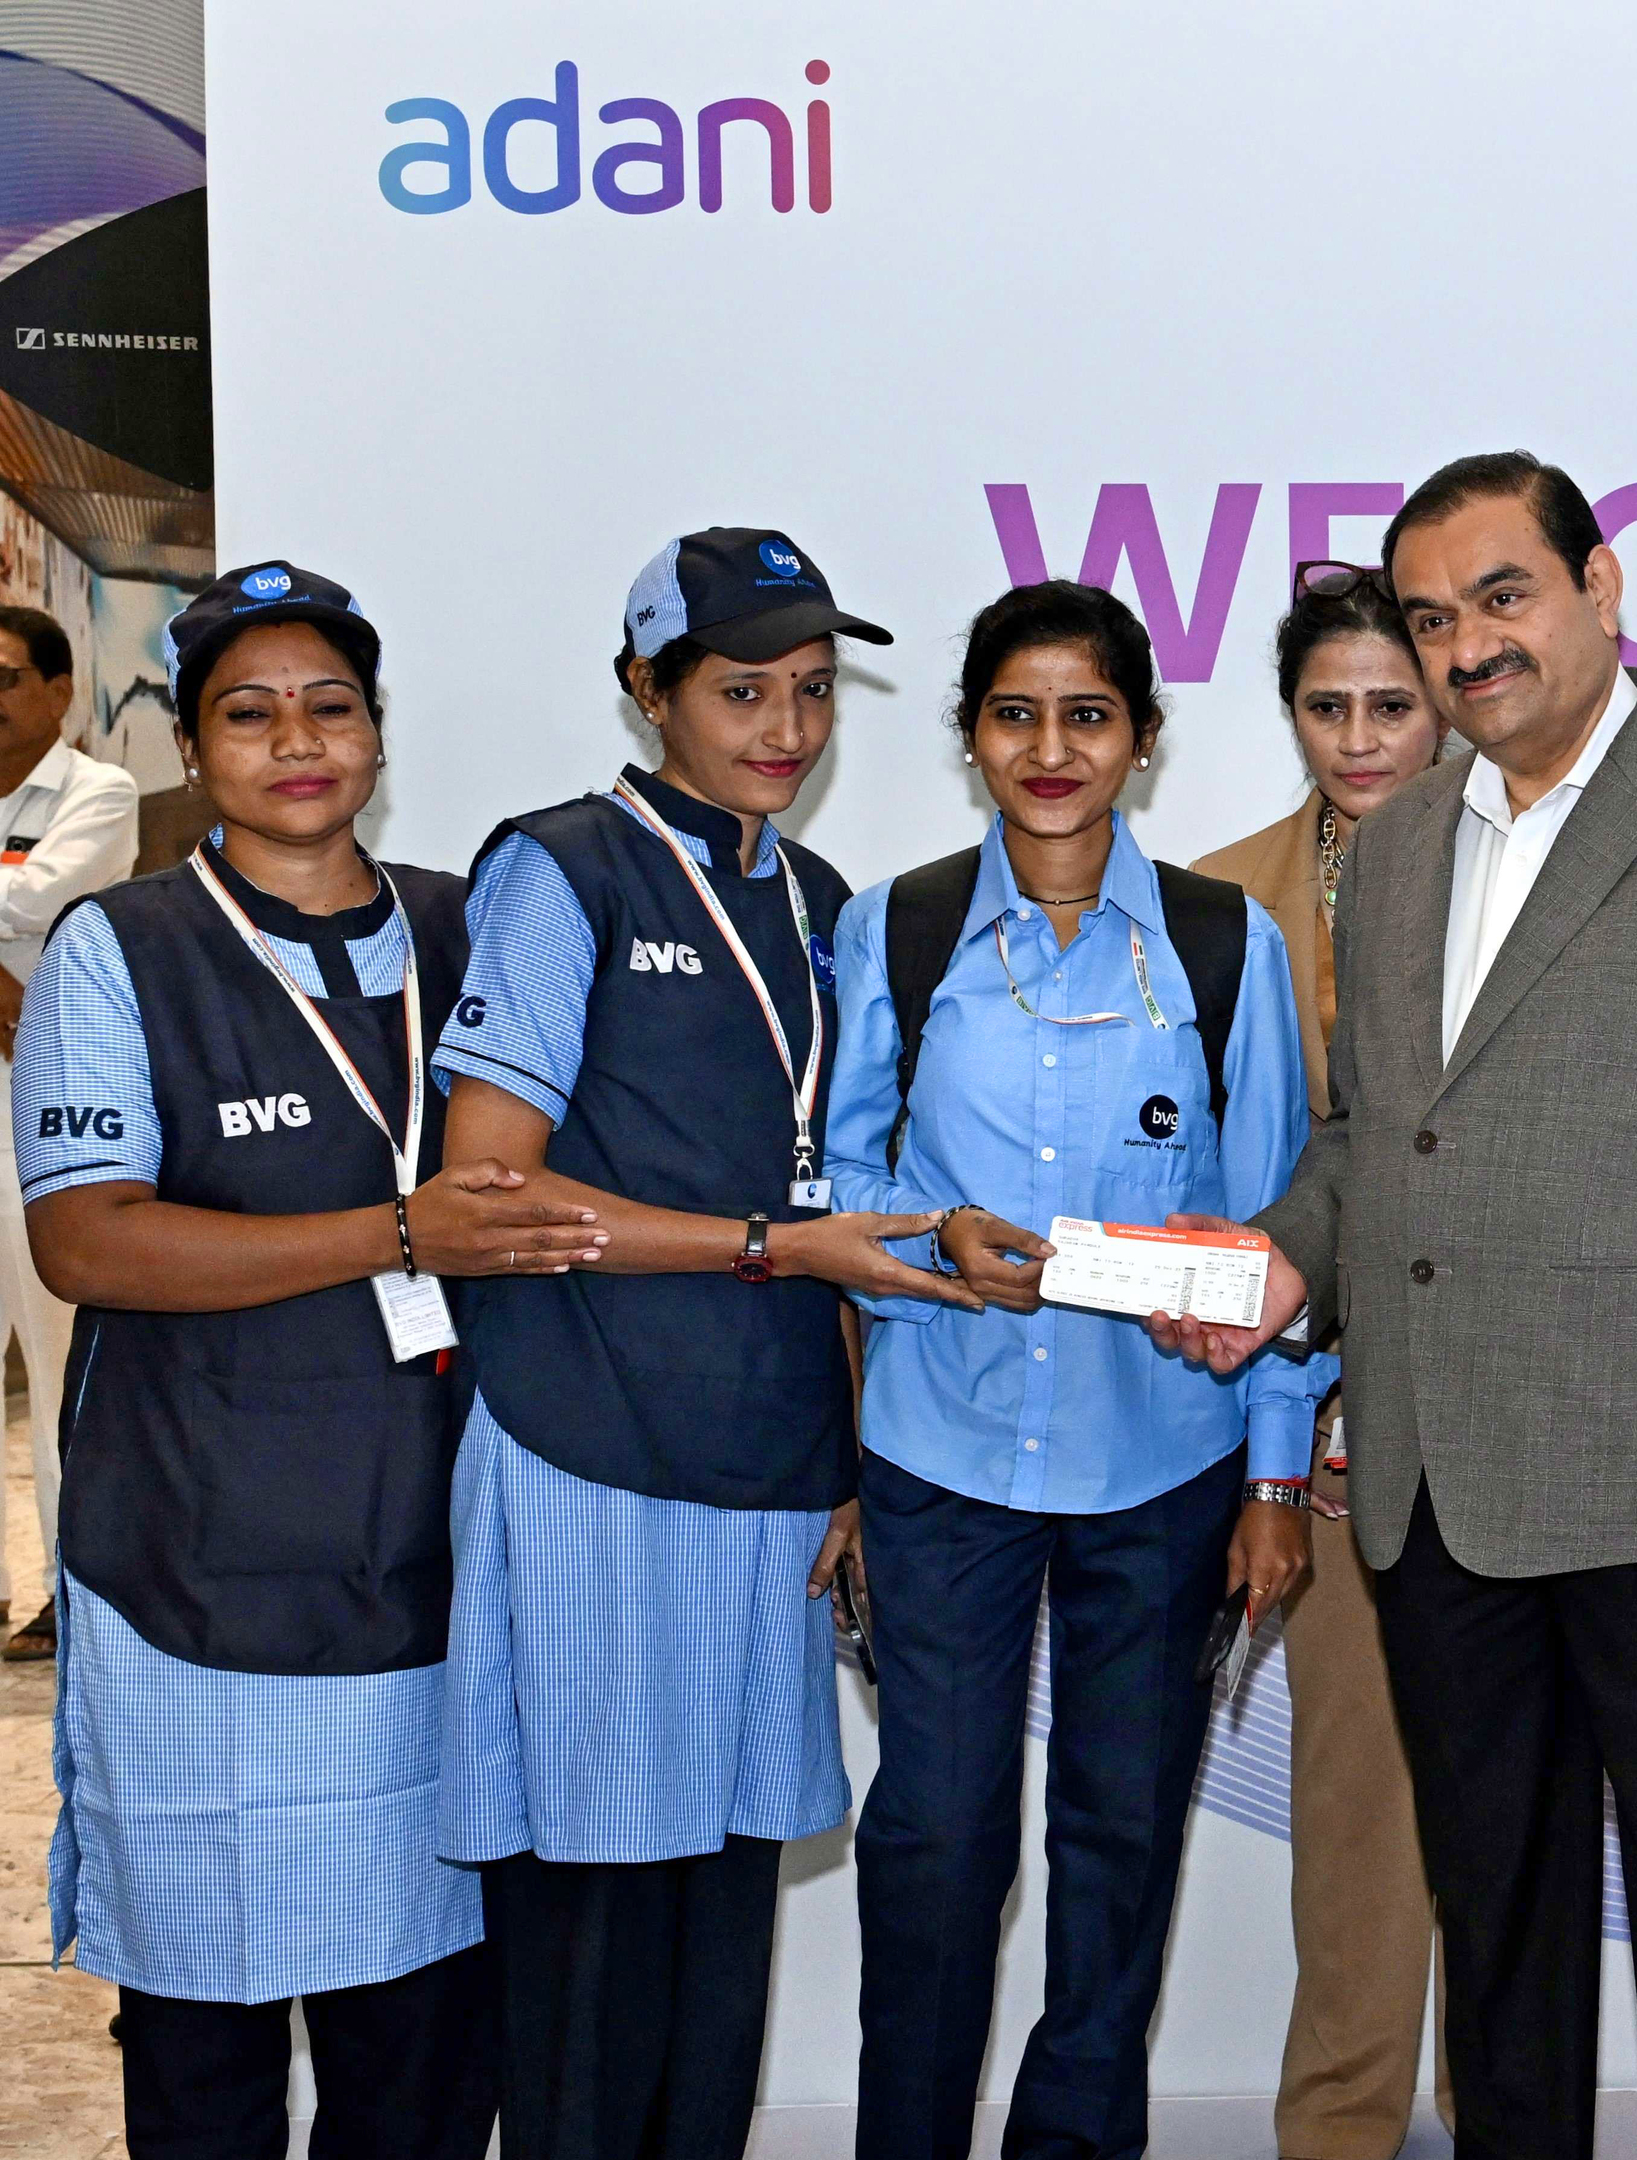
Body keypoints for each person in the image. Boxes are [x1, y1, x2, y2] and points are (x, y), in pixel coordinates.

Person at [1159, 450, 1637, 2159]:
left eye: (1500, 597)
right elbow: (1370, 1137)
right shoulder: (1402, 842)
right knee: (1498, 1941)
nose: (1466, 647)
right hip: (1433, 1495)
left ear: (1601, 584)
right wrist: (1279, 1262)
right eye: (1430, 619)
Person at [21, 564, 605, 2158]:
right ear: (196, 750)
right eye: (250, 712)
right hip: (200, 1574)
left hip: (435, 1568)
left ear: (376, 734)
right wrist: (391, 1236)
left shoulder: (466, 925)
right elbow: (87, 1242)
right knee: (206, 2041)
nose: (298, 740)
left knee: (418, 2050)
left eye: (330, 706)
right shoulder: (119, 949)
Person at [433, 528, 966, 2160]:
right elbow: (483, 1184)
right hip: (589, 1438)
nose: (785, 729)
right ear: (643, 691)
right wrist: (761, 1248)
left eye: (812, 692)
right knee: (599, 1910)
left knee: (723, 1913)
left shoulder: (815, 904)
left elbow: (834, 1200)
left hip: (770, 1469)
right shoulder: (561, 865)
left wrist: (856, 1451)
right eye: (740, 691)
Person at [820, 579, 1327, 2160]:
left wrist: (1272, 1474)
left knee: (1116, 1848)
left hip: (1159, 1469)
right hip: (941, 1456)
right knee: (931, 1843)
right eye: (1016, 715)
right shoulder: (893, 927)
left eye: (1088, 716)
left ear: (1143, 743)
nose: (1052, 748)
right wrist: (929, 1237)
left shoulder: (1217, 942)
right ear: (972, 739)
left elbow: (1269, 1234)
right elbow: (840, 1195)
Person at [1188, 559, 1455, 2160]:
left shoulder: (1529, 883)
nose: (1358, 739)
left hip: (1516, 1419)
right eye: (1325, 707)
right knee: (1356, 1827)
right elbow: (1210, 1198)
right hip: (1301, 1423)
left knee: (1510, 1829)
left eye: (1389, 705)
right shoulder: (1214, 904)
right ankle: (1339, 2137)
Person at [0, 601, 142, 1660]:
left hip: (40, 1111)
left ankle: (65, 1591)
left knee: (58, 1367)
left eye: (5, 677)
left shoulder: (102, 792)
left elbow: (45, 898)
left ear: (57, 692)